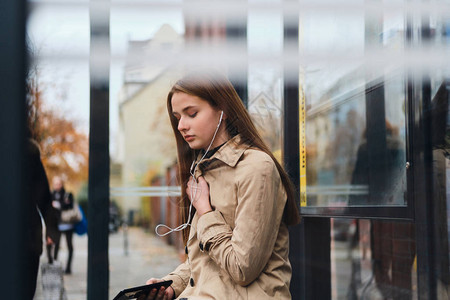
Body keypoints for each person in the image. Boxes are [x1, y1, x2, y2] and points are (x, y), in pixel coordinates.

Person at [141, 71, 301, 300]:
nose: (181, 126)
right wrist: (173, 285)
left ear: (222, 110)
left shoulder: (256, 168)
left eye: (191, 113)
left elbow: (242, 268)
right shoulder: (203, 170)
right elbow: (207, 260)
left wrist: (205, 212)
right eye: (178, 117)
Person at [26, 138, 57, 299]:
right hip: (28, 237)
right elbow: (44, 197)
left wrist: (51, 231)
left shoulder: (27, 150)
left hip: (27, 238)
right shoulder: (27, 149)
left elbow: (43, 196)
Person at [50, 176, 76, 274]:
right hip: (57, 225)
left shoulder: (68, 194)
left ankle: (68, 268)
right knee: (56, 245)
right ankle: (55, 265)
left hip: (68, 224)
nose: (57, 186)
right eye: (55, 184)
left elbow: (70, 205)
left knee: (70, 246)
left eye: (59, 183)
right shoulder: (51, 194)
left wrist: (59, 205)